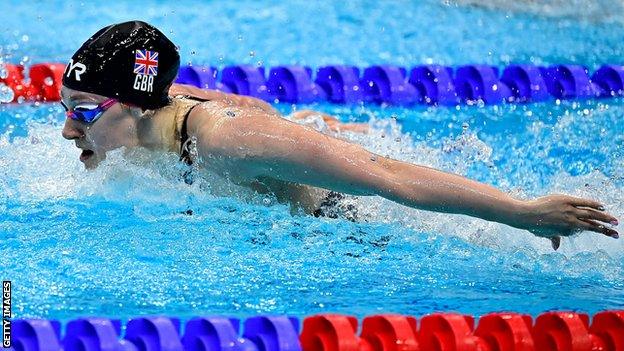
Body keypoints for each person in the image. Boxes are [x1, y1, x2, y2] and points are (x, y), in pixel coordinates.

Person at [60, 20, 619, 250]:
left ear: (132, 105)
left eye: (82, 112)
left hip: (349, 219)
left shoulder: (224, 139)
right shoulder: (154, 118)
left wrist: (522, 212)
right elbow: (250, 104)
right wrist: (305, 129)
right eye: (64, 110)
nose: (66, 130)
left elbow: (385, 176)